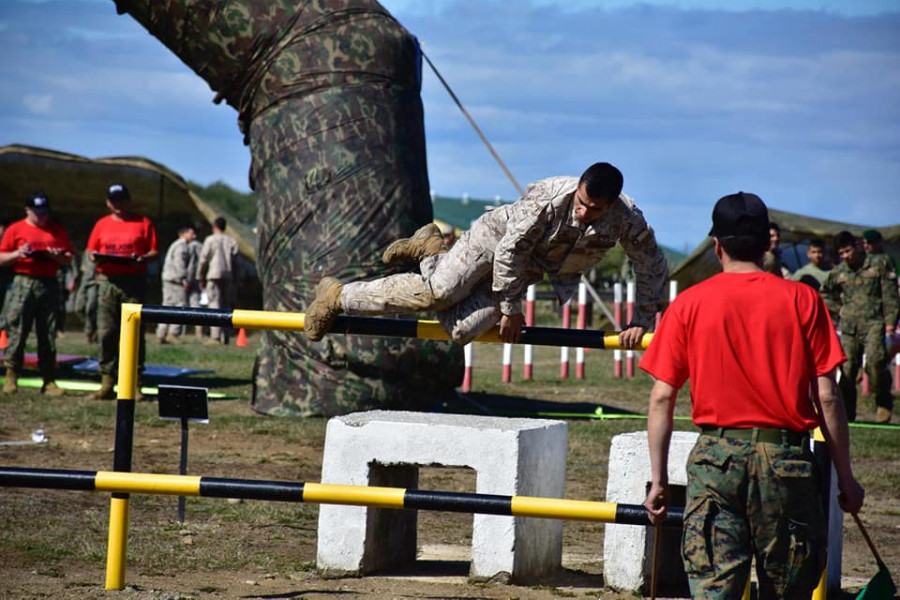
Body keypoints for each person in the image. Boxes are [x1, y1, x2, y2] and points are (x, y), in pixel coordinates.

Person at [641, 192, 864, 599]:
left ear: (716, 246)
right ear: (767, 244)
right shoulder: (804, 300)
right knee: (787, 587)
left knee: (714, 587)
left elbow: (661, 398)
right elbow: (828, 398)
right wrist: (845, 479)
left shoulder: (689, 304)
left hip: (715, 462)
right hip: (786, 464)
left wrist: (657, 481)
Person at [305, 162, 668, 346]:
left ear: (612, 205)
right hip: (493, 241)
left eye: (595, 210)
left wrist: (641, 319)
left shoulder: (628, 219)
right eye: (582, 203)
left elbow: (651, 264)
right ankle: (338, 296)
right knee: (438, 294)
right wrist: (510, 309)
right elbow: (512, 249)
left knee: (462, 330)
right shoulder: (550, 198)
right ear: (578, 189)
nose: (584, 213)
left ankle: (431, 251)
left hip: (524, 269)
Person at [85, 183, 159, 400]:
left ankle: (135, 383)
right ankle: (107, 381)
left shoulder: (143, 223)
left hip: (133, 281)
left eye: (122, 200)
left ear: (128, 200)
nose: (118, 205)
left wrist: (143, 258)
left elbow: (154, 250)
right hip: (108, 282)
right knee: (107, 332)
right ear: (108, 202)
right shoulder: (101, 224)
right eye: (114, 200)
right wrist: (95, 257)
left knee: (135, 332)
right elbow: (91, 250)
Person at [0, 191, 74, 396]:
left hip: (48, 283)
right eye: (37, 212)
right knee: (17, 330)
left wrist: (56, 256)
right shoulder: (15, 229)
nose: (42, 216)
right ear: (27, 210)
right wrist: (18, 254)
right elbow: (1, 258)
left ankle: (49, 380)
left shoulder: (56, 230)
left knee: (47, 333)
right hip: (23, 282)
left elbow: (68, 258)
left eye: (44, 212)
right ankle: (11, 376)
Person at [821, 231, 899, 423]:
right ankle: (848, 413)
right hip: (849, 327)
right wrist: (839, 310)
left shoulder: (879, 264)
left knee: (875, 362)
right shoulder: (839, 272)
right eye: (842, 253)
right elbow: (824, 293)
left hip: (874, 323)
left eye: (848, 251)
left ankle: (883, 401)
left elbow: (890, 295)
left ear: (856, 246)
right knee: (847, 371)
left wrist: (890, 322)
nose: (846, 256)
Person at [197, 216, 239, 345]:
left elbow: (203, 259)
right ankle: (225, 335)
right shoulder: (232, 241)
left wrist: (200, 276)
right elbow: (236, 262)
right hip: (228, 276)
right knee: (226, 306)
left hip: (214, 275)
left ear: (214, 227)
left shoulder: (210, 240)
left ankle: (215, 336)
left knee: (214, 305)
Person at [156, 224, 197, 344]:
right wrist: (184, 279)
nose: (193, 236)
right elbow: (180, 263)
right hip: (176, 281)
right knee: (179, 306)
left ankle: (161, 333)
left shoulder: (177, 244)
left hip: (170, 279)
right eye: (191, 233)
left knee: (166, 306)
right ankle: (173, 333)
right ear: (183, 234)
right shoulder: (182, 246)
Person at [73, 251, 99, 343]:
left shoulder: (98, 249)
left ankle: (90, 333)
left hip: (94, 282)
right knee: (78, 308)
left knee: (90, 308)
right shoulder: (85, 251)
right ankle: (94, 327)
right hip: (84, 281)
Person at [186, 227, 204, 338]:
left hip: (191, 279)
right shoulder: (199, 245)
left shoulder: (193, 246)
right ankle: (199, 332)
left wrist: (188, 280)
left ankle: (198, 332)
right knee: (195, 305)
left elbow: (192, 265)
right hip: (195, 279)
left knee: (192, 305)